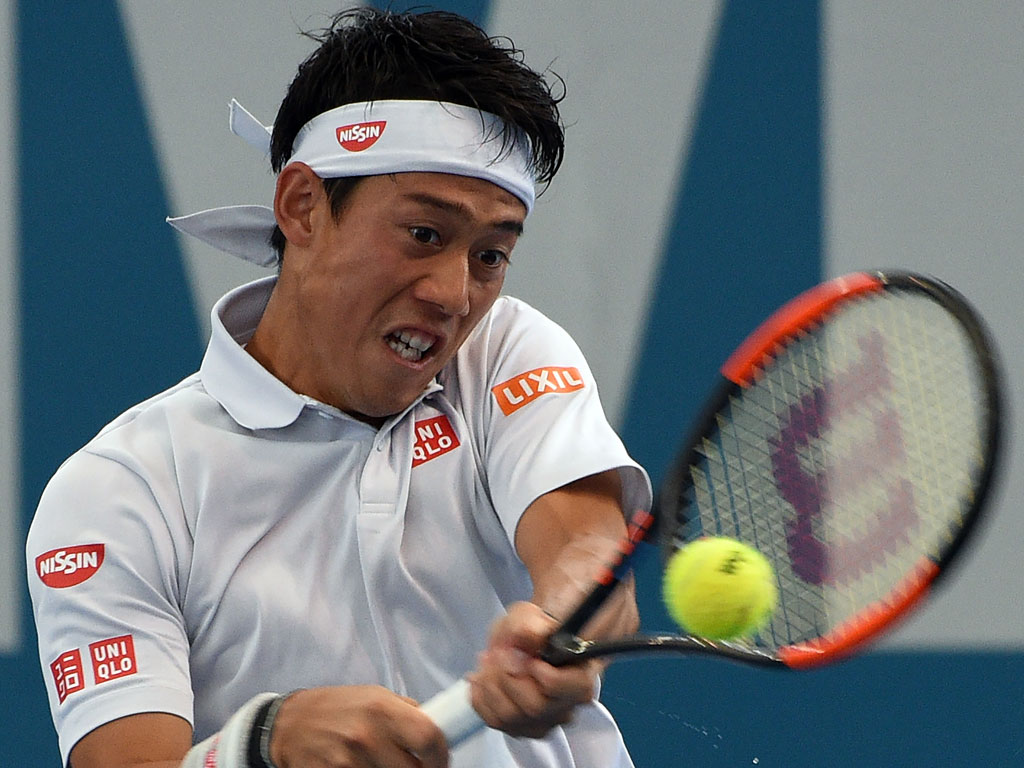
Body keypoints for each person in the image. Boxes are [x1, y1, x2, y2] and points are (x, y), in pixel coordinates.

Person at [26, 8, 651, 768]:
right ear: (302, 207)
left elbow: (586, 547)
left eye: (490, 255)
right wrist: (264, 743)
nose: (455, 295)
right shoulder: (120, 491)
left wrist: (565, 621)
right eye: (425, 234)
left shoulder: (506, 352)